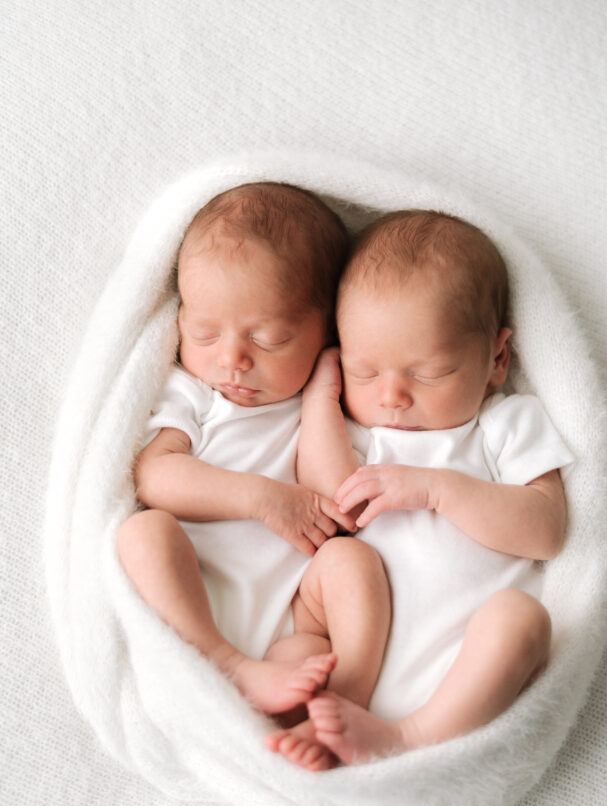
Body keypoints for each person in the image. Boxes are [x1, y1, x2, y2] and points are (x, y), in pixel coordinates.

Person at [269, 208, 574, 768]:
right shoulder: (362, 433)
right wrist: (319, 403)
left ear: (496, 359)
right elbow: (332, 505)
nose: (391, 397)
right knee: (321, 595)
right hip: (351, 658)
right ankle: (314, 725)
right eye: (365, 372)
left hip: (459, 673)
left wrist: (438, 490)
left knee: (523, 620)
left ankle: (408, 738)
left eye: (427, 373)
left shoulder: (504, 424)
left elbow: (546, 531)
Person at [117, 182, 390, 769]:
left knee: (354, 566)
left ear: (327, 330)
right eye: (205, 333)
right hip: (199, 589)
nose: (232, 359)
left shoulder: (330, 401)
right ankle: (225, 663)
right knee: (142, 535)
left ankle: (344, 710)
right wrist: (261, 498)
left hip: (295, 620)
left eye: (269, 338)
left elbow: (341, 504)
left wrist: (322, 394)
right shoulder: (196, 396)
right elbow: (155, 477)